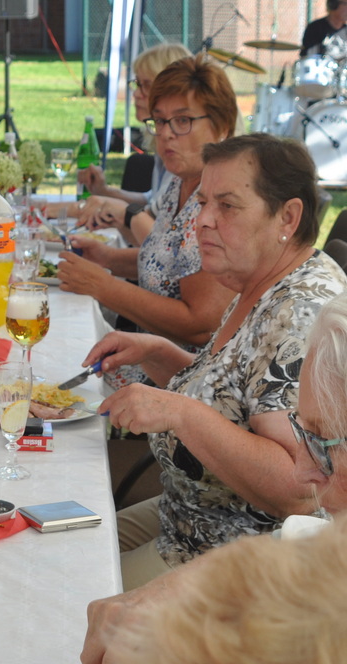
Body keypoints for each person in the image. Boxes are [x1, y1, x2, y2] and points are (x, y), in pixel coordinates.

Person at [78, 133, 347, 593]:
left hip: (237, 556)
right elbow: (234, 395)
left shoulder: (302, 311)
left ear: (288, 215)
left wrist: (180, 412)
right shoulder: (261, 278)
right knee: (50, 546)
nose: (201, 221)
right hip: (188, 515)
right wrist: (162, 353)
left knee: (64, 593)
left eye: (226, 205)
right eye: (203, 202)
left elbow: (301, 488)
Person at [82, 292, 347, 664]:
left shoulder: (301, 303)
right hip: (182, 508)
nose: (304, 469)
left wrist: (184, 415)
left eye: (322, 443)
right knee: (73, 560)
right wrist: (169, 593)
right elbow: (301, 537)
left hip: (216, 526)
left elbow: (293, 497)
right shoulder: (253, 293)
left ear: (285, 229)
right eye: (303, 432)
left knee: (72, 597)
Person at [58, 54, 238, 387]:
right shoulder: (181, 184)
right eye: (160, 121)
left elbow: (200, 324)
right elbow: (169, 264)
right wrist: (109, 259)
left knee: (48, 378)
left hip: (186, 383)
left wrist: (103, 285)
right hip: (148, 360)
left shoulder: (217, 203)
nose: (167, 134)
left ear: (222, 126)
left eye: (182, 121)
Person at [76, 43, 191, 206]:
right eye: (137, 84)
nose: (136, 93)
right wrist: (104, 192)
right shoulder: (162, 140)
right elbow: (153, 202)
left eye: (146, 85)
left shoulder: (184, 152)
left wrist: (115, 211)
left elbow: (157, 219)